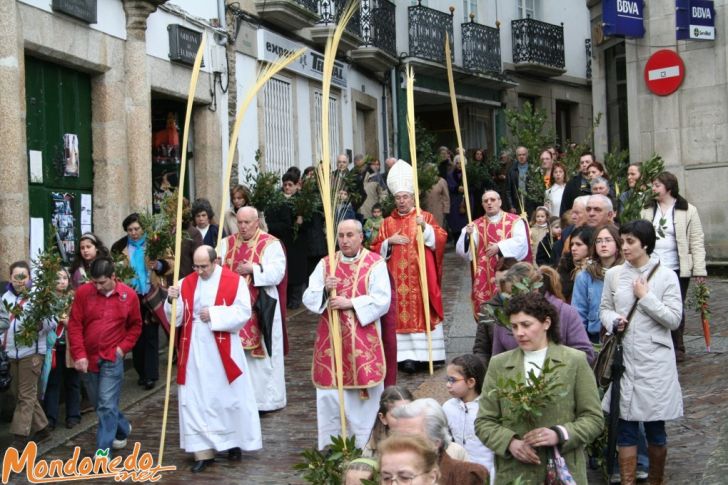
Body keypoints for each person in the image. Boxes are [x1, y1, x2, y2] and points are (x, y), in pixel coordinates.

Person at [474, 292, 603, 485]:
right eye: (514, 326)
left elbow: (593, 419)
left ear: (546, 323)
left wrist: (559, 434)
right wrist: (510, 442)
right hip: (514, 473)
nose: (519, 333)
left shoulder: (574, 361)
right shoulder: (499, 364)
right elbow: (484, 421)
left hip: (563, 471)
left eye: (526, 325)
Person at [165, 246, 262, 472]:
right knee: (196, 399)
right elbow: (176, 320)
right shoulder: (185, 281)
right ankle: (202, 451)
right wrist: (172, 301)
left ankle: (233, 442)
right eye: (196, 267)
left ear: (215, 261)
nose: (199, 271)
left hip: (223, 346)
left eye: (204, 266)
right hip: (194, 348)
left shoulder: (234, 281)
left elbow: (243, 312)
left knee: (228, 398)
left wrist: (216, 314)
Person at [600, 220, 683, 485]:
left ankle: (656, 480)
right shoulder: (613, 274)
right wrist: (613, 321)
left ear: (645, 243)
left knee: (655, 427)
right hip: (624, 360)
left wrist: (645, 298)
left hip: (655, 362)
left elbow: (673, 319)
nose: (624, 247)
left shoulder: (666, 276)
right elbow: (604, 308)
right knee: (625, 425)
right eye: (622, 241)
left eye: (630, 242)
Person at [303, 219, 390, 450]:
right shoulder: (326, 264)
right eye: (340, 235)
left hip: (363, 339)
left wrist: (350, 302)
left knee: (363, 400)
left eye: (350, 235)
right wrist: (324, 289)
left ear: (361, 237)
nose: (344, 240)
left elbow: (382, 300)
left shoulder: (375, 263)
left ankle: (365, 445)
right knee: (330, 396)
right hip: (330, 340)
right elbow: (308, 297)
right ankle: (332, 446)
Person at [370, 161, 448, 373]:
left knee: (422, 309)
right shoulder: (387, 223)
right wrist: (388, 242)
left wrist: (425, 229)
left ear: (413, 198)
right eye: (398, 197)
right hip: (395, 279)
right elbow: (375, 248)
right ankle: (403, 357)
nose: (402, 201)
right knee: (396, 312)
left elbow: (440, 240)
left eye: (405, 197)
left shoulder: (425, 218)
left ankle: (427, 355)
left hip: (420, 276)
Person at [67, 257, 141, 457]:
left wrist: (122, 349)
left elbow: (135, 326)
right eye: (94, 282)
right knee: (100, 405)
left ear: (113, 277)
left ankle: (102, 452)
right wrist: (79, 354)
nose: (97, 286)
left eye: (102, 282)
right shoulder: (84, 293)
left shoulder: (128, 296)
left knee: (107, 404)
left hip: (111, 357)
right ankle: (122, 427)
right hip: (88, 359)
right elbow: (74, 324)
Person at [220, 206, 287, 412]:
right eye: (239, 222)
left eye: (247, 222)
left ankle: (264, 401)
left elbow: (277, 272)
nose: (242, 227)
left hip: (261, 306)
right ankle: (238, 400)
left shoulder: (270, 243)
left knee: (262, 356)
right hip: (233, 307)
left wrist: (254, 269)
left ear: (256, 222)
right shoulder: (226, 243)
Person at [641, 171, 707, 362]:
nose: (653, 189)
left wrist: (699, 269)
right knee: (653, 302)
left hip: (677, 267)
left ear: (668, 187)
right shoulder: (647, 210)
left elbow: (696, 240)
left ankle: (677, 345)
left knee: (674, 305)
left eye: (656, 185)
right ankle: (657, 342)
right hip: (652, 266)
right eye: (652, 185)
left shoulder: (688, 210)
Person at [488, 262, 595, 364]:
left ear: (535, 289)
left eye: (516, 295)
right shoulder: (504, 319)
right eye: (508, 295)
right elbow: (497, 362)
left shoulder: (565, 313)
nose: (512, 300)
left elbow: (585, 355)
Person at [111, 213, 172, 390]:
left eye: (137, 229)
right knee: (135, 335)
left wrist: (158, 265)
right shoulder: (119, 247)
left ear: (143, 229)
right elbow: (113, 268)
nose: (134, 233)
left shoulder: (155, 243)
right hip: (131, 296)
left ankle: (151, 375)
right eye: (130, 230)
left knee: (151, 334)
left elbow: (170, 263)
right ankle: (141, 372)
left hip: (151, 293)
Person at [456, 190, 530, 322]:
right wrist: (467, 235)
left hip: (508, 272)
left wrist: (500, 247)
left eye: (492, 200)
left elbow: (522, 244)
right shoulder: (475, 225)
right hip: (485, 275)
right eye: (485, 201)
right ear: (482, 204)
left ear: (500, 201)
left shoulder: (515, 221)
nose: (489, 203)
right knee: (487, 315)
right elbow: (463, 253)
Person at [2, 261, 52, 448]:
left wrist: (41, 325)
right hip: (10, 354)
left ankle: (19, 439)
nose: (20, 280)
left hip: (31, 354)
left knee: (26, 396)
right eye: (16, 277)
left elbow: (52, 321)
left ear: (29, 278)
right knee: (21, 395)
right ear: (10, 278)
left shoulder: (37, 298)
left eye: (24, 276)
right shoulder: (4, 298)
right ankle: (43, 429)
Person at [390, 398, 490, 484]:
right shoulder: (387, 474)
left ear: (435, 443)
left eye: (410, 439)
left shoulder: (469, 476)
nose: (400, 445)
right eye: (397, 437)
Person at [442, 354, 495, 479]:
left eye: (453, 380)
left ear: (471, 382)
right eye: (447, 379)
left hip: (486, 472)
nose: (448, 385)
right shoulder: (447, 407)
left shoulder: (489, 407)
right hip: (458, 473)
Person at [42, 268, 81, 430]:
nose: (62, 281)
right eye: (58, 278)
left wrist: (68, 322)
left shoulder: (74, 299)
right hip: (54, 348)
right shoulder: (46, 300)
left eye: (65, 278)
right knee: (53, 382)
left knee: (72, 381)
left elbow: (80, 322)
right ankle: (50, 418)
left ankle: (73, 415)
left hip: (71, 347)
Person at [571, 224, 623, 343]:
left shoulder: (627, 272)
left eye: (608, 240)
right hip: (594, 336)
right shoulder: (585, 275)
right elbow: (578, 312)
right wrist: (581, 343)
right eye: (599, 241)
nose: (603, 244)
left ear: (618, 243)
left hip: (623, 333)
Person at [267, 171, 308, 310]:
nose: (287, 188)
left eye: (290, 185)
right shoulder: (277, 200)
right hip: (282, 239)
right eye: (285, 185)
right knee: (285, 269)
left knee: (296, 270)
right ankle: (287, 297)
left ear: (297, 185)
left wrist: (301, 222)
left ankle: (296, 298)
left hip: (297, 242)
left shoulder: (303, 201)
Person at [363, 385, 414, 457]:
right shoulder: (371, 452)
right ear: (383, 418)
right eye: (397, 415)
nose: (404, 421)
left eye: (409, 413)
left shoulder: (427, 442)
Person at [557, 225, 594, 302]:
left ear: (590, 246)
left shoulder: (596, 269)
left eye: (578, 244)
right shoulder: (565, 266)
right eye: (572, 244)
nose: (573, 248)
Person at [506, 146, 538, 218]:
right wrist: (511, 206)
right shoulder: (511, 170)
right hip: (516, 205)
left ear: (527, 155)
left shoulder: (533, 169)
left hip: (530, 204)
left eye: (523, 154)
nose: (521, 157)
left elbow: (537, 190)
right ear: (516, 156)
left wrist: (536, 207)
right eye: (519, 155)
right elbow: (508, 190)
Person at [560, 152, 594, 216]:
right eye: (582, 163)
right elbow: (564, 207)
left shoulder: (602, 182)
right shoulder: (572, 184)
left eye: (587, 162)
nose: (584, 165)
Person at [446, 154, 469, 238]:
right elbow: (449, 186)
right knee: (456, 223)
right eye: (457, 163)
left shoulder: (468, 174)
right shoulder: (450, 174)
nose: (459, 165)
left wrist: (466, 189)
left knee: (466, 222)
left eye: (461, 163)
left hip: (466, 201)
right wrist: (456, 188)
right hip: (455, 201)